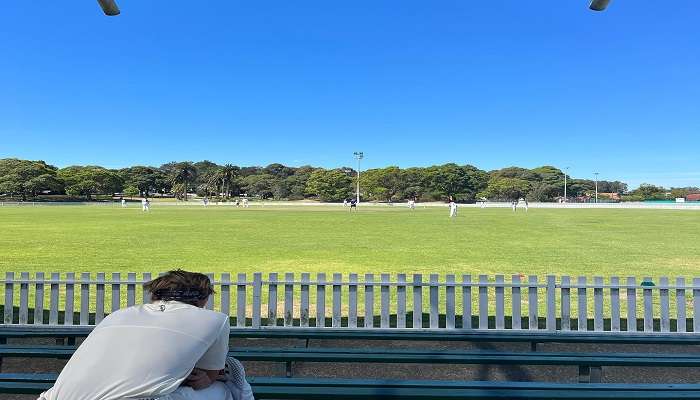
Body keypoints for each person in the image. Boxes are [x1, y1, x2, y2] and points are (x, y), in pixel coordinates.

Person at [38, 270, 253, 400]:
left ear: (154, 294)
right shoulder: (215, 320)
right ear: (203, 299)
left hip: (55, 396)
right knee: (223, 389)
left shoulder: (118, 315)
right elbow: (209, 377)